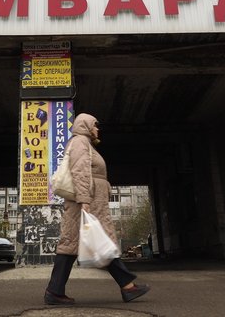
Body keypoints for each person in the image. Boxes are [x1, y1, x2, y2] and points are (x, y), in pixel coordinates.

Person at [45, 113, 151, 305]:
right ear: (85, 126)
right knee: (85, 243)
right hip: (86, 202)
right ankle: (127, 287)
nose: (97, 129)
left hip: (92, 202)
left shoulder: (86, 144)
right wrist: (84, 200)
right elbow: (80, 171)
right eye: (95, 125)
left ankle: (56, 291)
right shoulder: (80, 142)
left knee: (86, 244)